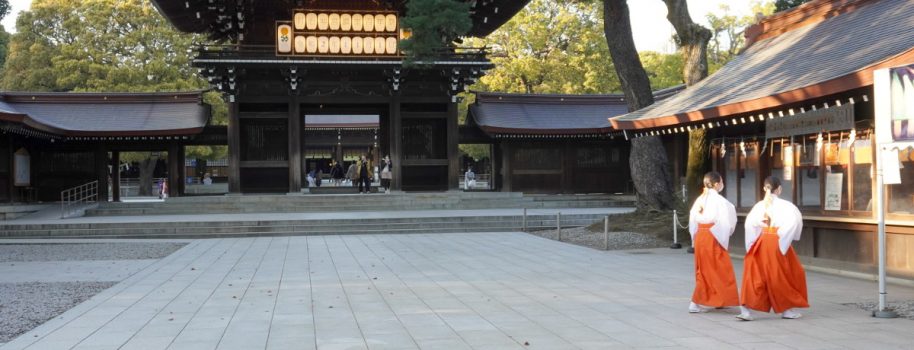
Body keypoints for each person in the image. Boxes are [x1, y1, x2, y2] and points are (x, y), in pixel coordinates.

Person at [737, 176, 809, 321]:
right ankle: (786, 309)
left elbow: (749, 225)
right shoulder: (787, 206)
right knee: (783, 275)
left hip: (762, 241)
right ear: (779, 189)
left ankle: (746, 309)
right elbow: (793, 224)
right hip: (777, 241)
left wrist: (751, 244)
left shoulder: (759, 206)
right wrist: (783, 242)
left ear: (765, 188)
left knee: (756, 275)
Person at [687, 171, 739, 313]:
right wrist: (724, 236)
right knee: (718, 269)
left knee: (704, 269)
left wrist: (694, 237)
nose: (722, 184)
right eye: (721, 182)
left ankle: (720, 299)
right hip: (713, 236)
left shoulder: (700, 199)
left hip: (700, 236)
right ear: (717, 184)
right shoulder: (720, 202)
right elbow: (727, 222)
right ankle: (695, 302)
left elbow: (692, 220)